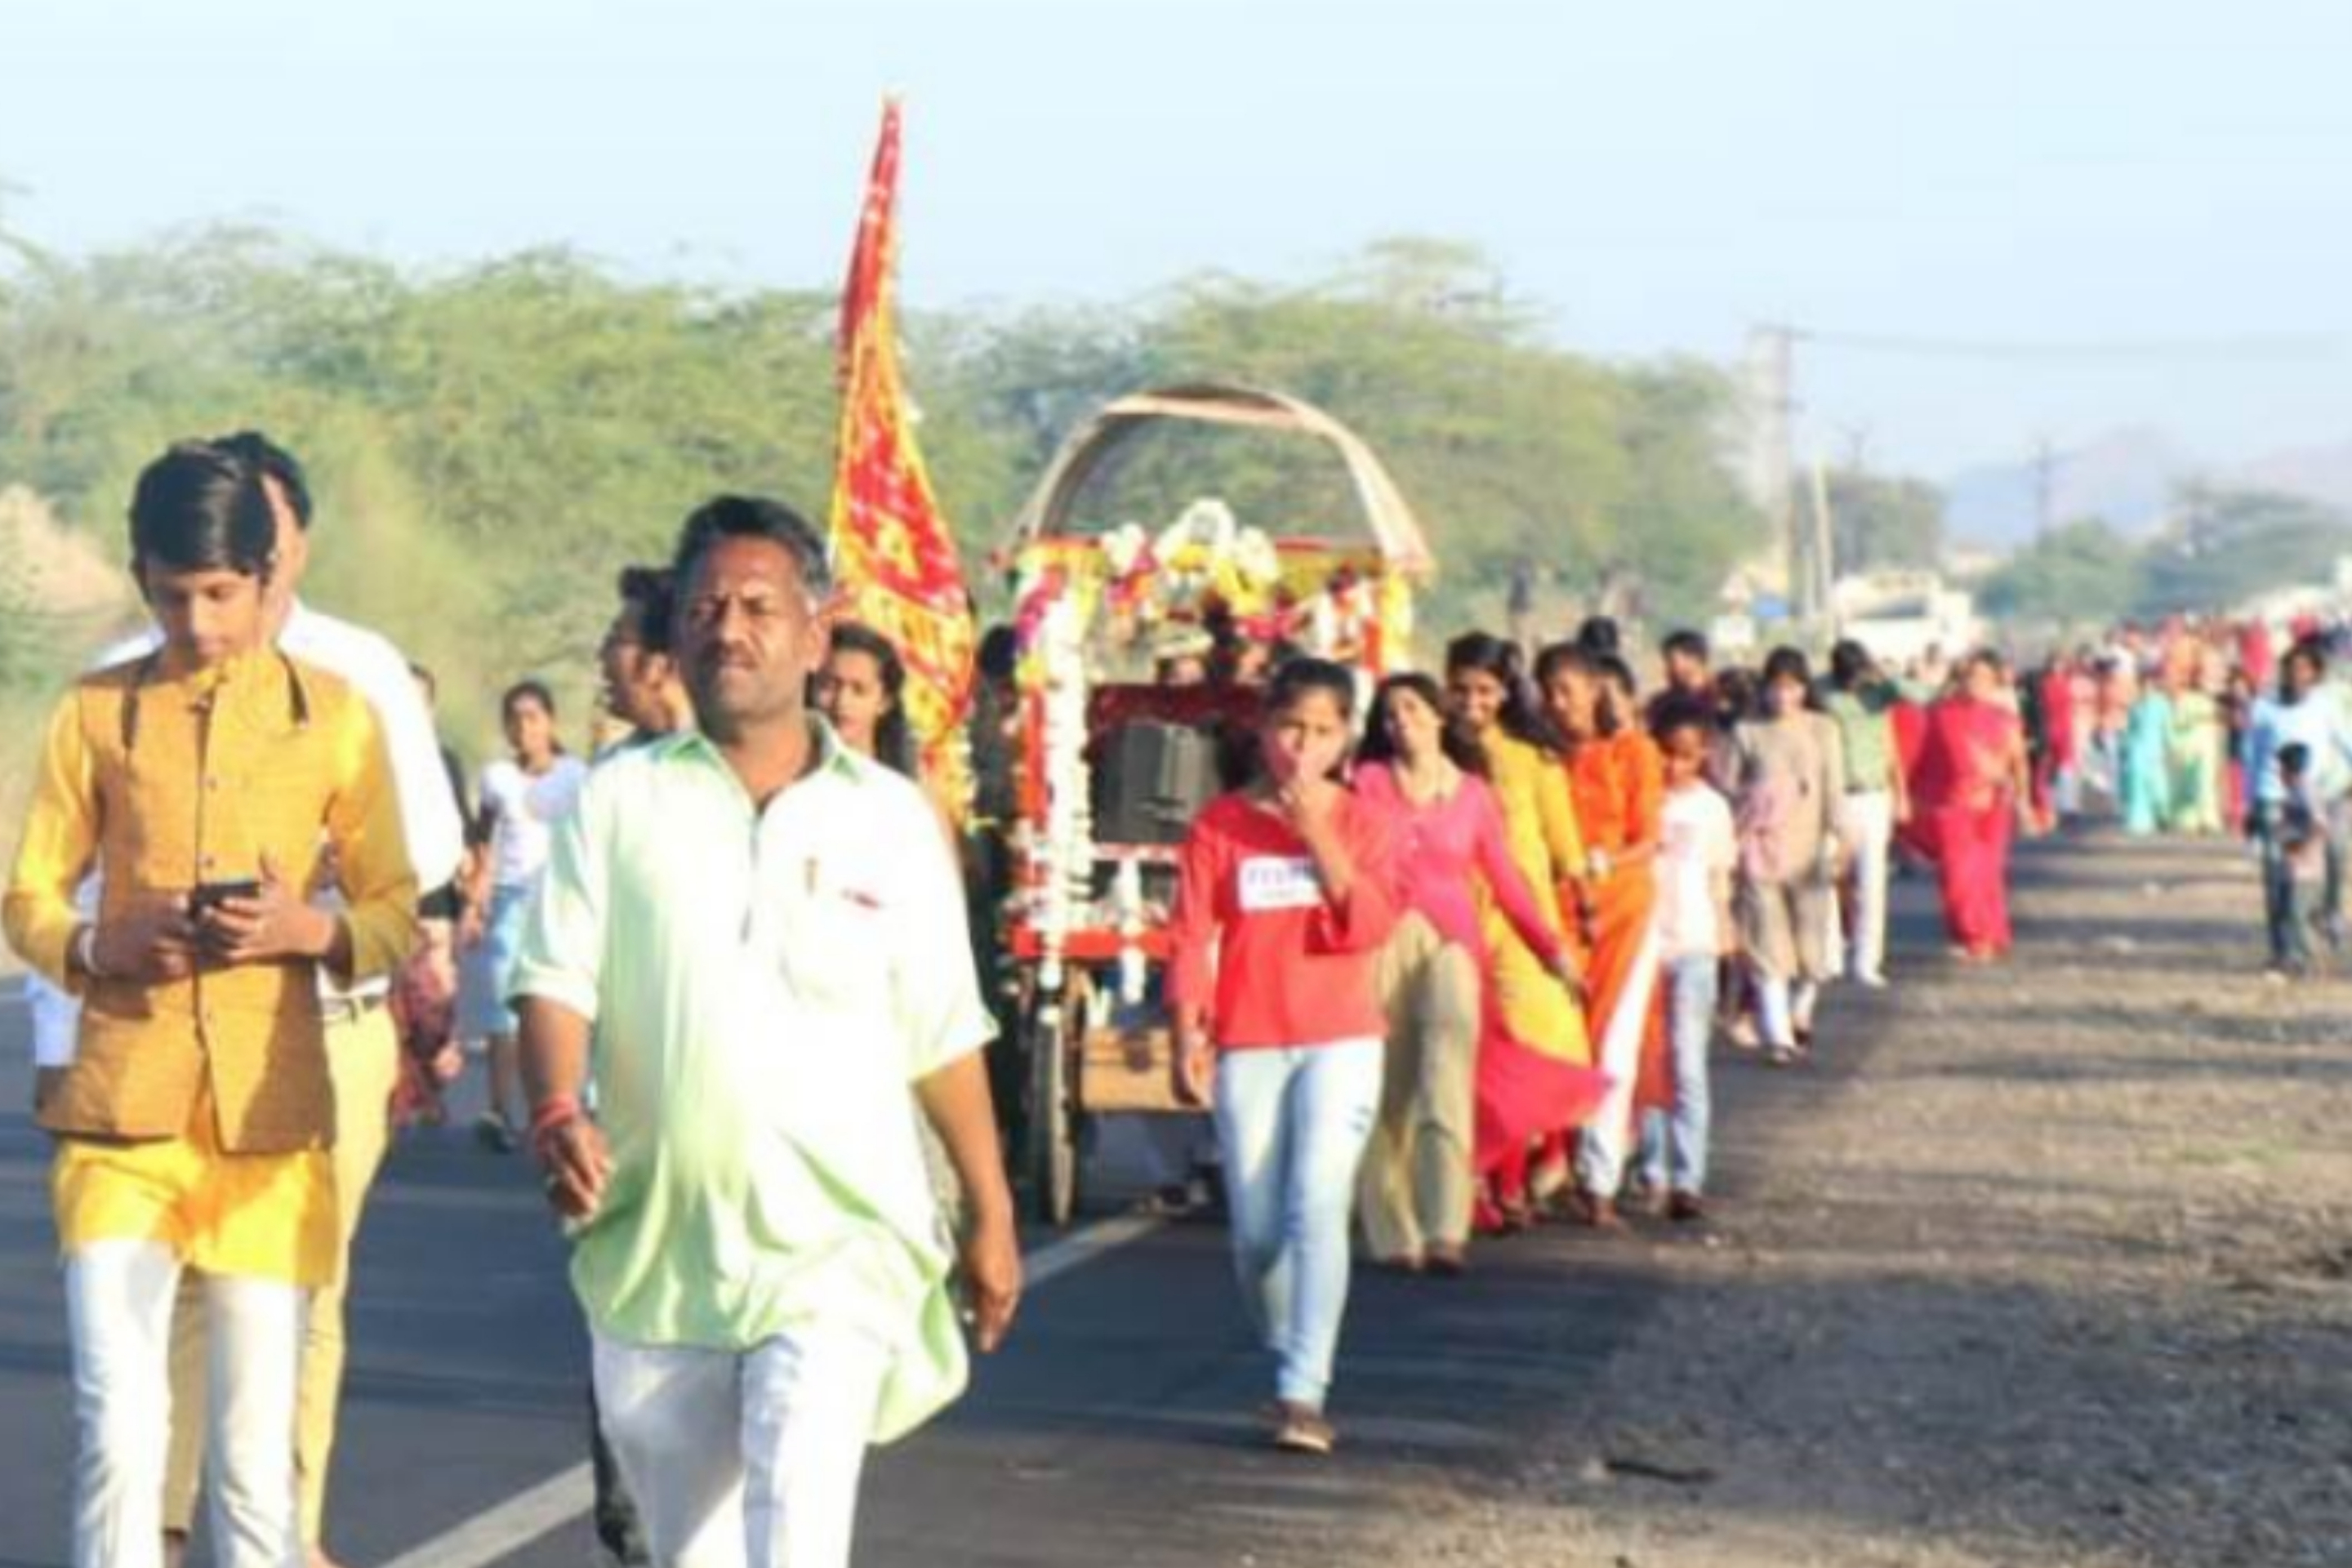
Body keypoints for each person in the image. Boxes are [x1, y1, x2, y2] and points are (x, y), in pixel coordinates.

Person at [514, 495, 1019, 1568]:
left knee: (796, 1521)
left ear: (814, 630)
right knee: (687, 1549)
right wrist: (559, 1107)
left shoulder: (886, 817)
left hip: (841, 1239)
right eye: (703, 609)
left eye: (756, 606)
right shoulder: (617, 805)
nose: (728, 630)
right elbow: (553, 979)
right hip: (660, 1248)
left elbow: (940, 1030)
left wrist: (992, 1209)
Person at [21, 430, 465, 1568]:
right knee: (117, 1428)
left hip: (271, 1129)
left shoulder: (339, 714)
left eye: (223, 593)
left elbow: (392, 909)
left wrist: (303, 929)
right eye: (176, 596)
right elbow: (24, 894)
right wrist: (94, 944)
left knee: (256, 1462)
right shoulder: (95, 712)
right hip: (122, 1119)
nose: (203, 624)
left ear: (273, 576)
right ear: (141, 581)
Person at [1169, 657, 1400, 1454]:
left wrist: (1317, 835)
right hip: (1251, 1038)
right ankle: (1283, 1345)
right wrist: (1185, 1029)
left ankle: (1304, 1389)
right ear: (1263, 730)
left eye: (1323, 732)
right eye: (1289, 728)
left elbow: (1370, 924)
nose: (1303, 746)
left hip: (1342, 1037)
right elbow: (1193, 936)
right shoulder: (1220, 826)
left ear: (1346, 739)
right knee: (1258, 1228)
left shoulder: (1367, 822)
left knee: (1317, 1200)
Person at [1351, 675, 1580, 1274]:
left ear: (1438, 718)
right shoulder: (1367, 784)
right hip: (1383, 940)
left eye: (1412, 709)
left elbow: (1507, 881)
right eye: (1390, 713)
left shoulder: (1473, 793)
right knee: (1389, 1088)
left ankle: (1446, 1225)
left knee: (1446, 1074)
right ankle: (1392, 1230)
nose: (1401, 722)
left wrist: (1550, 950)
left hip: (1454, 943)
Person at [1439, 633, 1592, 1229]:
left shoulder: (1533, 759)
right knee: (1469, 1056)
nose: (1472, 703)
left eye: (1484, 691)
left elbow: (1565, 844)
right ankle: (1485, 1184)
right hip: (1451, 917)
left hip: (1522, 925)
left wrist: (1584, 909)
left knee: (1526, 1048)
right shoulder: (1434, 750)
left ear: (1505, 693)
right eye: (1461, 690)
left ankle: (1517, 1177)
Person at [1535, 644, 1664, 1227]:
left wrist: (1600, 864)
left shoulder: (1634, 753)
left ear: (1595, 688)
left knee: (1614, 1043)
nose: (1559, 704)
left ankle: (1600, 1178)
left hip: (1624, 912)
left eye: (1568, 689)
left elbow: (1648, 836)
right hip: (1556, 914)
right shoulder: (1540, 758)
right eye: (1549, 692)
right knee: (1560, 1040)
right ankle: (1548, 1164)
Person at [458, 679, 588, 1150]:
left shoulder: (576, 775)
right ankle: (498, 1109)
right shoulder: (498, 778)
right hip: (510, 898)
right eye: (514, 719)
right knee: (501, 1005)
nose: (523, 728)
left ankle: (571, 1104)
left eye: (532, 717)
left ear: (550, 722)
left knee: (562, 999)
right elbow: (482, 839)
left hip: (560, 896)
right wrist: (475, 900)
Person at [1635, 697, 1736, 1222]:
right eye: (1666, 755)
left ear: (1703, 756)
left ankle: (1688, 1176)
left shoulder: (1712, 808)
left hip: (1694, 946)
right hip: (1643, 946)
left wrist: (1726, 940)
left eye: (1686, 756)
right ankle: (1651, 1169)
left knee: (1688, 1063)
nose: (1675, 766)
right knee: (1648, 1063)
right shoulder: (1640, 800)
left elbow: (1720, 880)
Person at [1726, 647, 1844, 1064]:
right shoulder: (1747, 732)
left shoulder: (1822, 729)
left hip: (1809, 855)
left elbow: (1833, 788)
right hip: (1759, 854)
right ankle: (1779, 1037)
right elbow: (1729, 789)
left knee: (1812, 953)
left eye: (1791, 688)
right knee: (1767, 947)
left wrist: (1839, 840)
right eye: (1775, 688)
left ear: (1803, 689)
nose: (1782, 697)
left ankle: (1800, 1011)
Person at [1913, 651, 2032, 962]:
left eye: (1982, 678)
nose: (1974, 684)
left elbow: (2018, 762)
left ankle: (1989, 934)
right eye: (1968, 677)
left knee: (1987, 873)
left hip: (1994, 806)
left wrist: (2023, 799)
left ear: (1994, 682)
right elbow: (1922, 760)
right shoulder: (1938, 715)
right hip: (1950, 805)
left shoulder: (2005, 717)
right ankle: (1970, 934)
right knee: (1957, 875)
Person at [2243, 642, 2352, 973]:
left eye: (2304, 670)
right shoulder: (2263, 708)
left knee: (2324, 862)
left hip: (2312, 801)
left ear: (2315, 675)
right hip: (2272, 800)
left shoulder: (2325, 707)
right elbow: (2253, 757)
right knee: (2277, 878)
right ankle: (2284, 951)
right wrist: (2250, 805)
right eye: (2291, 669)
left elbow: (2347, 743)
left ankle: (2326, 915)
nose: (2296, 676)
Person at [1820, 639, 1909, 989]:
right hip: (1837, 793)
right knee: (1828, 876)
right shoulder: (1822, 695)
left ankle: (1866, 960)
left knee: (1872, 882)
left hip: (1874, 794)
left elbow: (1890, 745)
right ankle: (1830, 955)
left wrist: (1901, 794)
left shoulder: (1879, 696)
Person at [2118, 673, 2174, 835]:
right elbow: (2130, 729)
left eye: (2149, 684)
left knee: (2158, 785)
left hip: (2155, 748)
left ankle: (2162, 814)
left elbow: (2167, 727)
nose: (2145, 688)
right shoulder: (2136, 705)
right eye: (2143, 685)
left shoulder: (2162, 704)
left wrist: (2170, 746)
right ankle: (2140, 820)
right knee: (2137, 784)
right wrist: (2125, 745)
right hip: (2138, 748)